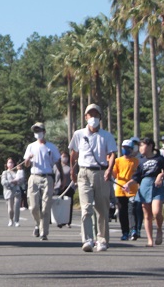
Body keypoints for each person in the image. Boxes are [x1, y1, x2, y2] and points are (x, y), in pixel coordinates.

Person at [69, 104, 117, 252]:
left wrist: (109, 169)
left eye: (96, 115)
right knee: (86, 208)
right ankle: (88, 239)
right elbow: (74, 154)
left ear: (100, 118)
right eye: (90, 115)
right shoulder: (79, 134)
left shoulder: (106, 136)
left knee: (102, 209)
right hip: (83, 172)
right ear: (85, 117)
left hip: (101, 173)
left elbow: (112, 154)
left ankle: (102, 240)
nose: (93, 118)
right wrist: (72, 170)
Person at [123, 137, 164, 247]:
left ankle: (159, 229)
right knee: (147, 215)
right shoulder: (141, 160)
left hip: (157, 186)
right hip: (144, 186)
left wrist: (160, 175)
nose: (140, 148)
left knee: (156, 211)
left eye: (142, 145)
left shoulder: (159, 159)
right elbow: (137, 177)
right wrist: (128, 184)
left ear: (150, 146)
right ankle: (150, 240)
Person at [25, 122, 62, 241]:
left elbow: (58, 162)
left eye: (39, 131)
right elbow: (26, 164)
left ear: (44, 132)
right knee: (34, 206)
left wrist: (61, 177)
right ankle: (37, 224)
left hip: (47, 177)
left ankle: (44, 232)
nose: (38, 133)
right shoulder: (31, 146)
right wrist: (28, 159)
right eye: (35, 131)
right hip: (34, 176)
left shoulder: (51, 147)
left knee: (46, 206)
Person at [113, 139, 140, 241]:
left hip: (132, 189)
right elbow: (114, 174)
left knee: (132, 210)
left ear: (132, 149)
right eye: (124, 148)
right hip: (120, 189)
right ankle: (125, 232)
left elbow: (138, 175)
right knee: (122, 212)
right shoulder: (118, 161)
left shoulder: (136, 161)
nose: (126, 150)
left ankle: (133, 230)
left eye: (128, 148)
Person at [53, 151, 75, 228]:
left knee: (68, 205)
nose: (64, 158)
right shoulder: (56, 166)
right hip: (58, 187)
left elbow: (74, 177)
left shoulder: (70, 167)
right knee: (59, 204)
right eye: (63, 156)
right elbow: (54, 177)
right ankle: (59, 220)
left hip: (68, 187)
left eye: (66, 156)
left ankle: (68, 221)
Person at [1, 158, 24, 227]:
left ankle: (17, 221)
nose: (10, 164)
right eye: (9, 162)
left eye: (12, 162)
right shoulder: (5, 172)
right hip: (9, 191)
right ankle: (11, 219)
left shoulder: (18, 172)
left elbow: (22, 181)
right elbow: (3, 182)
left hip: (17, 191)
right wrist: (10, 182)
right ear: (7, 164)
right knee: (10, 209)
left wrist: (17, 182)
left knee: (17, 207)